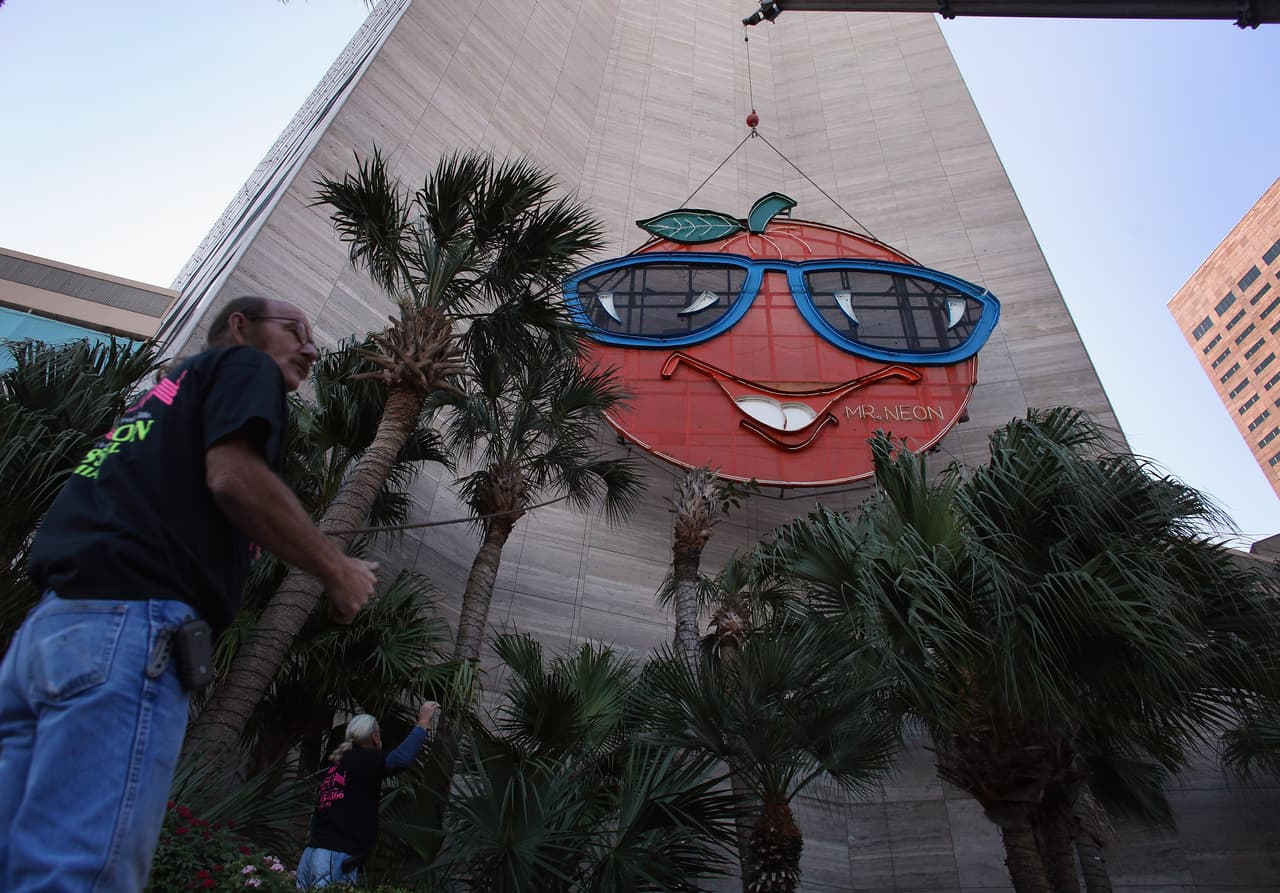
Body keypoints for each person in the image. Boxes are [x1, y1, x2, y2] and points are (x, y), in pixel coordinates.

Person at [0, 295, 379, 893]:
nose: (310, 347)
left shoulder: (155, 402)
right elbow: (234, 477)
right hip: (129, 634)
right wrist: (336, 568)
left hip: (47, 638)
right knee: (82, 871)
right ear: (240, 328)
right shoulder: (245, 366)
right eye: (294, 330)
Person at [296, 700, 441, 889]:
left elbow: (319, 811)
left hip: (313, 853)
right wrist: (422, 724)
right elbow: (400, 759)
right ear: (374, 736)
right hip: (335, 856)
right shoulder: (365, 759)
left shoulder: (340, 764)